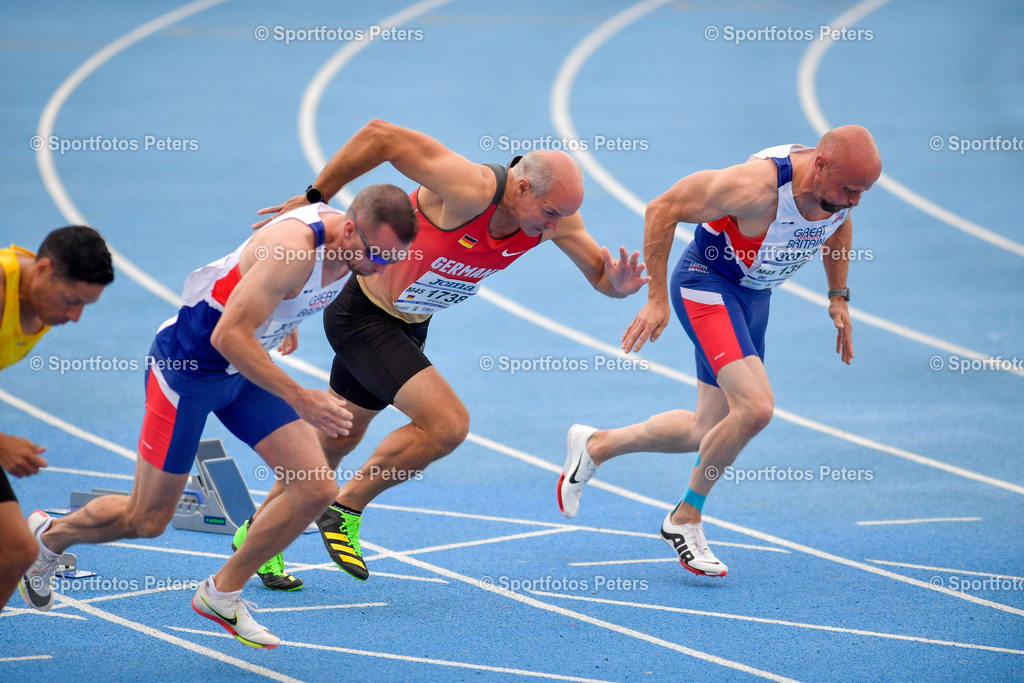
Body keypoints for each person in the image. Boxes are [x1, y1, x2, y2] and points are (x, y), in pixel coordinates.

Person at [246, 119, 650, 582]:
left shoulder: (554, 219)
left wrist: (617, 287)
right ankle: (345, 507)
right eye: (551, 213)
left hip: (411, 323)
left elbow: (602, 278)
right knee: (447, 425)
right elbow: (382, 135)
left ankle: (257, 535)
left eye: (563, 217)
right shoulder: (469, 189)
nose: (555, 227)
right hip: (361, 316)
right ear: (520, 187)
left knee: (337, 439)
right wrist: (317, 196)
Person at [19, 185, 418, 649]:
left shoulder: (355, 248)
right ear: (349, 229)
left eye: (393, 260)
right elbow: (229, 335)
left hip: (244, 372)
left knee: (315, 487)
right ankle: (50, 535)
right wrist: (302, 398)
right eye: (377, 255)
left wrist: (281, 325)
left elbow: (273, 299)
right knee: (147, 519)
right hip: (189, 369)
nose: (380, 269)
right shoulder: (291, 250)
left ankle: (221, 592)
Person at [558, 126, 882, 577]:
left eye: (865, 191)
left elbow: (839, 224)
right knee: (755, 410)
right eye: (851, 189)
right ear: (822, 166)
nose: (856, 200)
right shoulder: (755, 187)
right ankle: (685, 517)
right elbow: (663, 208)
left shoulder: (837, 194)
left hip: (754, 297)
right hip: (707, 285)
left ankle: (595, 445)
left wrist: (838, 295)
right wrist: (654, 300)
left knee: (704, 429)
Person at [0, 226, 113, 612]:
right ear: (43, 269)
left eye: (86, 306)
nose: (75, 316)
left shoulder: (39, 297)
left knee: (16, 552)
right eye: (71, 301)